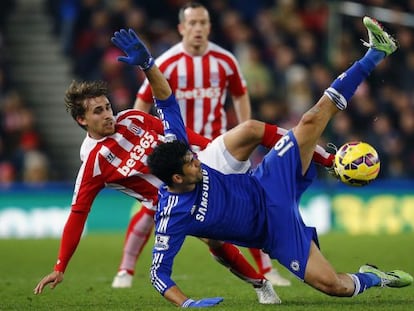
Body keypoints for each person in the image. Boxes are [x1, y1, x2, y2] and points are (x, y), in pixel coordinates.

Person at [110, 18, 412, 307]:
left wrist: (149, 65)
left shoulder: (177, 146)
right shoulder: (171, 215)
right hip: (274, 232)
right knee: (334, 286)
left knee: (310, 120)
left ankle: (376, 53)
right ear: (176, 179)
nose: (197, 161)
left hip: (267, 182)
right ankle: (376, 276)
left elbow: (165, 100)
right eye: (191, 162)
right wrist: (187, 303)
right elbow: (158, 274)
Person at [31, 41, 335, 305]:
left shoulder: (133, 118)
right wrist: (60, 266)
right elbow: (78, 212)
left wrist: (209, 147)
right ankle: (261, 283)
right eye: (98, 112)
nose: (108, 114)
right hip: (174, 202)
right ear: (82, 120)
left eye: (107, 106)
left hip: (199, 166)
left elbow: (175, 127)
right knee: (215, 241)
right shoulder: (94, 162)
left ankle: (327, 160)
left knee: (252, 130)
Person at [114, 1, 290, 288]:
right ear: (182, 28)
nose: (198, 28)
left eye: (203, 23)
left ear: (209, 26)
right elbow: (143, 102)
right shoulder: (168, 62)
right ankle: (126, 270)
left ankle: (267, 271)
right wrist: (142, 140)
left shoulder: (225, 60)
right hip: (181, 151)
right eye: (192, 23)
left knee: (247, 204)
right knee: (153, 208)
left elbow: (240, 94)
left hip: (217, 148)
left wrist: (245, 132)